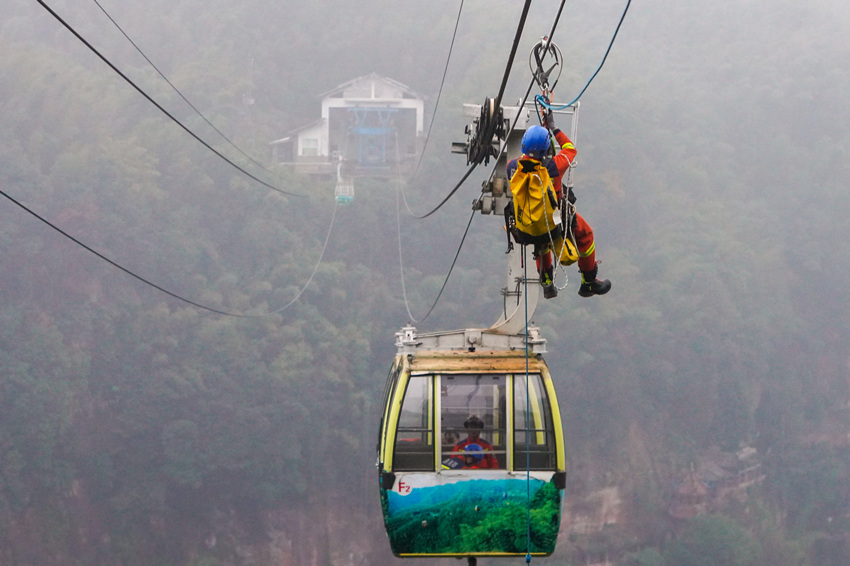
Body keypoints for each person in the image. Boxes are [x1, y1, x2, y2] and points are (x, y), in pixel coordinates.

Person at [506, 113, 611, 298]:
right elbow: (570, 148)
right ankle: (588, 281)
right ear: (546, 149)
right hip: (554, 222)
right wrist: (553, 128)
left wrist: (540, 136)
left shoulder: (512, 167)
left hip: (525, 225)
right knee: (586, 234)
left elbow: (527, 160)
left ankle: (547, 283)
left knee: (541, 244)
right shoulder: (554, 166)